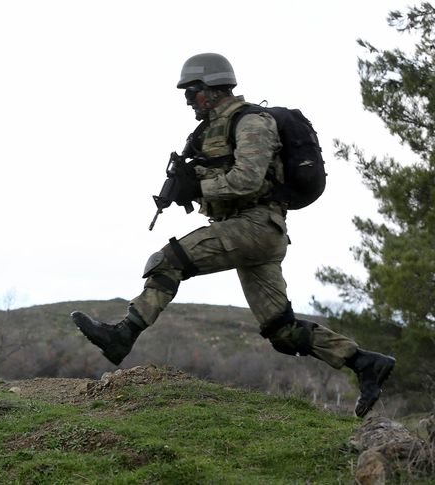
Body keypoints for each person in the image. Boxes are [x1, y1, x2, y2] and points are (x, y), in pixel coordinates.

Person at [71, 53, 395, 418]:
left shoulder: (251, 122)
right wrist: (188, 188)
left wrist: (201, 185)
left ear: (211, 90)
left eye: (192, 93)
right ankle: (365, 363)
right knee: (281, 330)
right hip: (250, 231)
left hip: (256, 226)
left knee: (168, 260)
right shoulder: (210, 129)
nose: (188, 101)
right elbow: (215, 177)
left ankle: (123, 335)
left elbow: (247, 180)